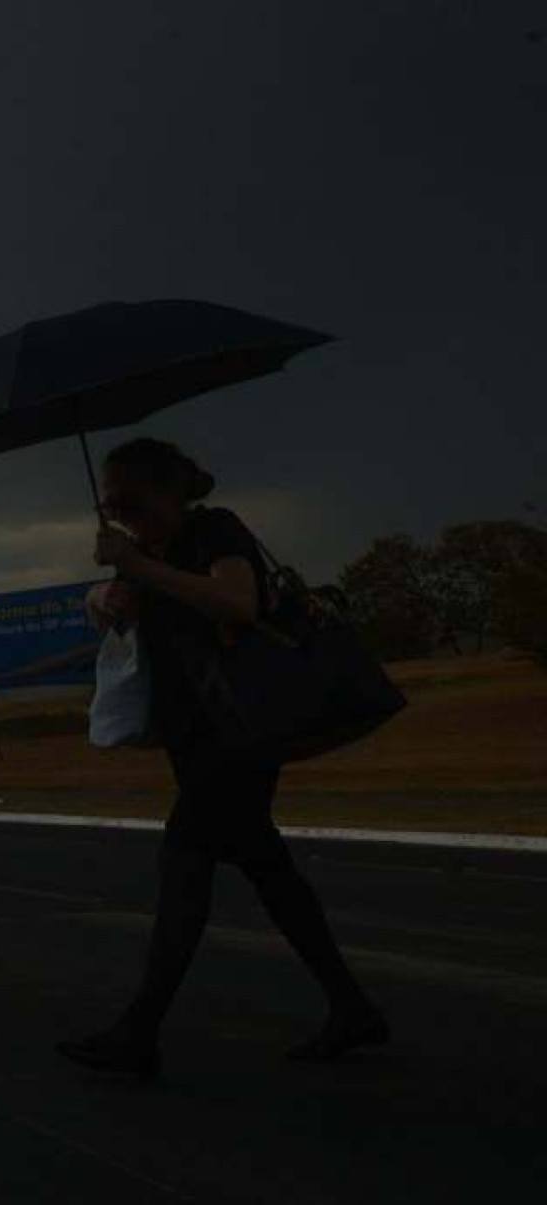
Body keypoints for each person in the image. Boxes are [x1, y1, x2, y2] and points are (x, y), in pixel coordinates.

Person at [58, 438, 387, 1078]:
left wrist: (140, 569)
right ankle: (352, 1007)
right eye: (110, 505)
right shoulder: (146, 554)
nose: (119, 515)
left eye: (129, 501)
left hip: (240, 734)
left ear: (168, 490)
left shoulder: (215, 530)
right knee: (270, 872)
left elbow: (238, 603)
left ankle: (139, 1030)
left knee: (184, 868)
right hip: (198, 738)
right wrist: (102, 599)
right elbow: (135, 616)